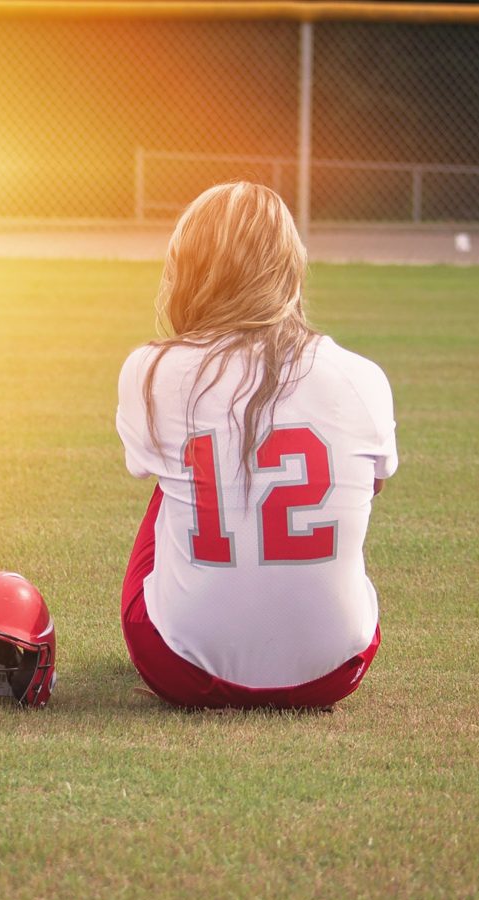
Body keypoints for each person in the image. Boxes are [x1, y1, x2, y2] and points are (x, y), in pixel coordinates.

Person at [116, 182, 397, 711]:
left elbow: (153, 468)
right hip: (334, 671)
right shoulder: (364, 376)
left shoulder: (151, 370)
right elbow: (370, 487)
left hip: (179, 668)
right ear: (289, 267)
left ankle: (210, 616)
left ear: (189, 268)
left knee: (174, 481)